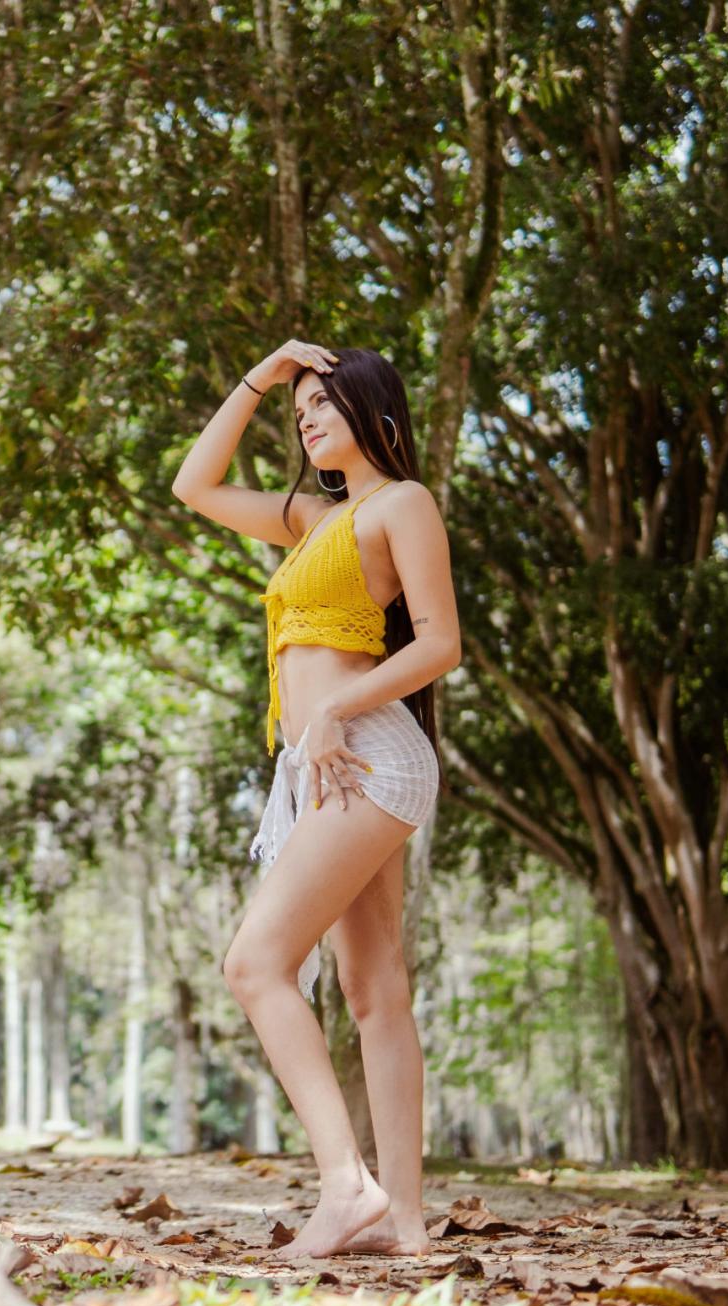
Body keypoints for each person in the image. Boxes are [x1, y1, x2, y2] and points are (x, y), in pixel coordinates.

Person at [171, 340, 461, 1258]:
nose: (306, 421)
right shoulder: (311, 518)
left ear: (373, 407)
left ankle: (347, 1187)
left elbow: (440, 644)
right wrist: (262, 377)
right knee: (373, 989)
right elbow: (194, 484)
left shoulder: (401, 504)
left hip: (367, 756)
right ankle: (404, 1224)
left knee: (255, 964)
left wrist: (335, 707)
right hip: (323, 767)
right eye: (299, 413)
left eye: (322, 403)